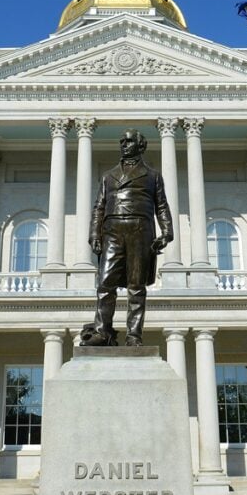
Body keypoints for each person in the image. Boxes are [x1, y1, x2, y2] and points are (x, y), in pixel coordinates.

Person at [82, 129, 172, 347]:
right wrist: (94, 233)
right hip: (112, 230)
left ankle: (134, 335)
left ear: (140, 146)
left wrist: (167, 232)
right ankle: (103, 331)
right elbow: (99, 207)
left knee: (136, 286)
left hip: (140, 231)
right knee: (105, 283)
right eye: (122, 141)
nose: (124, 144)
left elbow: (161, 206)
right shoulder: (108, 176)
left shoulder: (152, 176)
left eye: (129, 141)